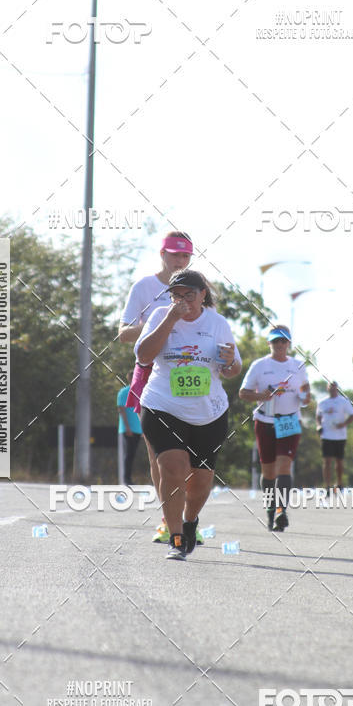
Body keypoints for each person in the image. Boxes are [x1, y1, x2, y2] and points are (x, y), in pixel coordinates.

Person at [135, 270, 242, 560]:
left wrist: (230, 362)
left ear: (203, 295)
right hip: (163, 406)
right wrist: (170, 319)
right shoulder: (160, 316)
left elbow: (233, 371)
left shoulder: (217, 323)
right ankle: (176, 536)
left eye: (189, 295)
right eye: (176, 295)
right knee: (172, 466)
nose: (183, 301)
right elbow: (143, 356)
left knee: (200, 483)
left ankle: (190, 520)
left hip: (208, 412)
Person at [118, 231, 193, 542]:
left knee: (187, 454)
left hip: (187, 373)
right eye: (174, 254)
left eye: (185, 256)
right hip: (151, 372)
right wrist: (158, 327)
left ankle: (184, 517)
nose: (179, 260)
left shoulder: (195, 287)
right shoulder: (145, 287)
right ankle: (168, 520)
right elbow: (122, 333)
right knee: (157, 455)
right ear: (162, 254)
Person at [239, 326, 310, 532]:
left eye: (283, 341)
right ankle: (271, 511)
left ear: (289, 344)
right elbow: (244, 393)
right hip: (265, 422)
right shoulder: (259, 365)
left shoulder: (298, 366)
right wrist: (262, 396)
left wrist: (306, 396)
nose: (279, 345)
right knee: (268, 472)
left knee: (284, 466)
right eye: (275, 341)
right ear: (269, 343)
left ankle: (281, 510)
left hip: (289, 421)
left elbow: (305, 393)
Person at [316, 381, 353, 491]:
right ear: (327, 388)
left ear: (337, 389)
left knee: (339, 461)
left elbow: (352, 415)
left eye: (334, 388)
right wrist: (318, 426)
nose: (332, 389)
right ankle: (327, 485)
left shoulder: (343, 401)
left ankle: (339, 483)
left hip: (340, 436)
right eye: (330, 387)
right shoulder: (322, 402)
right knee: (327, 461)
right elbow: (318, 416)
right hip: (326, 435)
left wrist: (344, 424)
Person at [116, 373, 142, 485]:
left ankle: (130, 478)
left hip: (139, 429)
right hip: (128, 430)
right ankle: (126, 479)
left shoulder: (140, 391)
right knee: (128, 455)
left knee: (133, 454)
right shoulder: (124, 392)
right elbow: (121, 410)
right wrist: (127, 427)